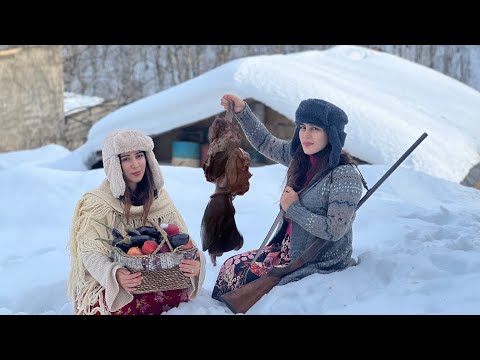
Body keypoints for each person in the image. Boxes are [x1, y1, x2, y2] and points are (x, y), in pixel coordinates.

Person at [212, 94, 366, 302]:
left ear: (331, 134)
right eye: (303, 127)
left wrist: (293, 208)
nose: (306, 135)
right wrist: (243, 112)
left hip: (315, 258)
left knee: (245, 279)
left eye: (315, 128)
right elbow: (266, 142)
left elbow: (334, 230)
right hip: (287, 248)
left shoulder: (344, 176)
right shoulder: (301, 158)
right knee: (231, 267)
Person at [68, 129, 206, 315]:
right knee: (118, 305)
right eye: (125, 158)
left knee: (178, 293)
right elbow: (90, 252)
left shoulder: (160, 199)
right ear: (114, 164)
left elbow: (183, 241)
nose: (135, 165)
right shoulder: (98, 204)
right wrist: (114, 274)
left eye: (139, 156)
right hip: (112, 282)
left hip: (155, 278)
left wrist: (196, 262)